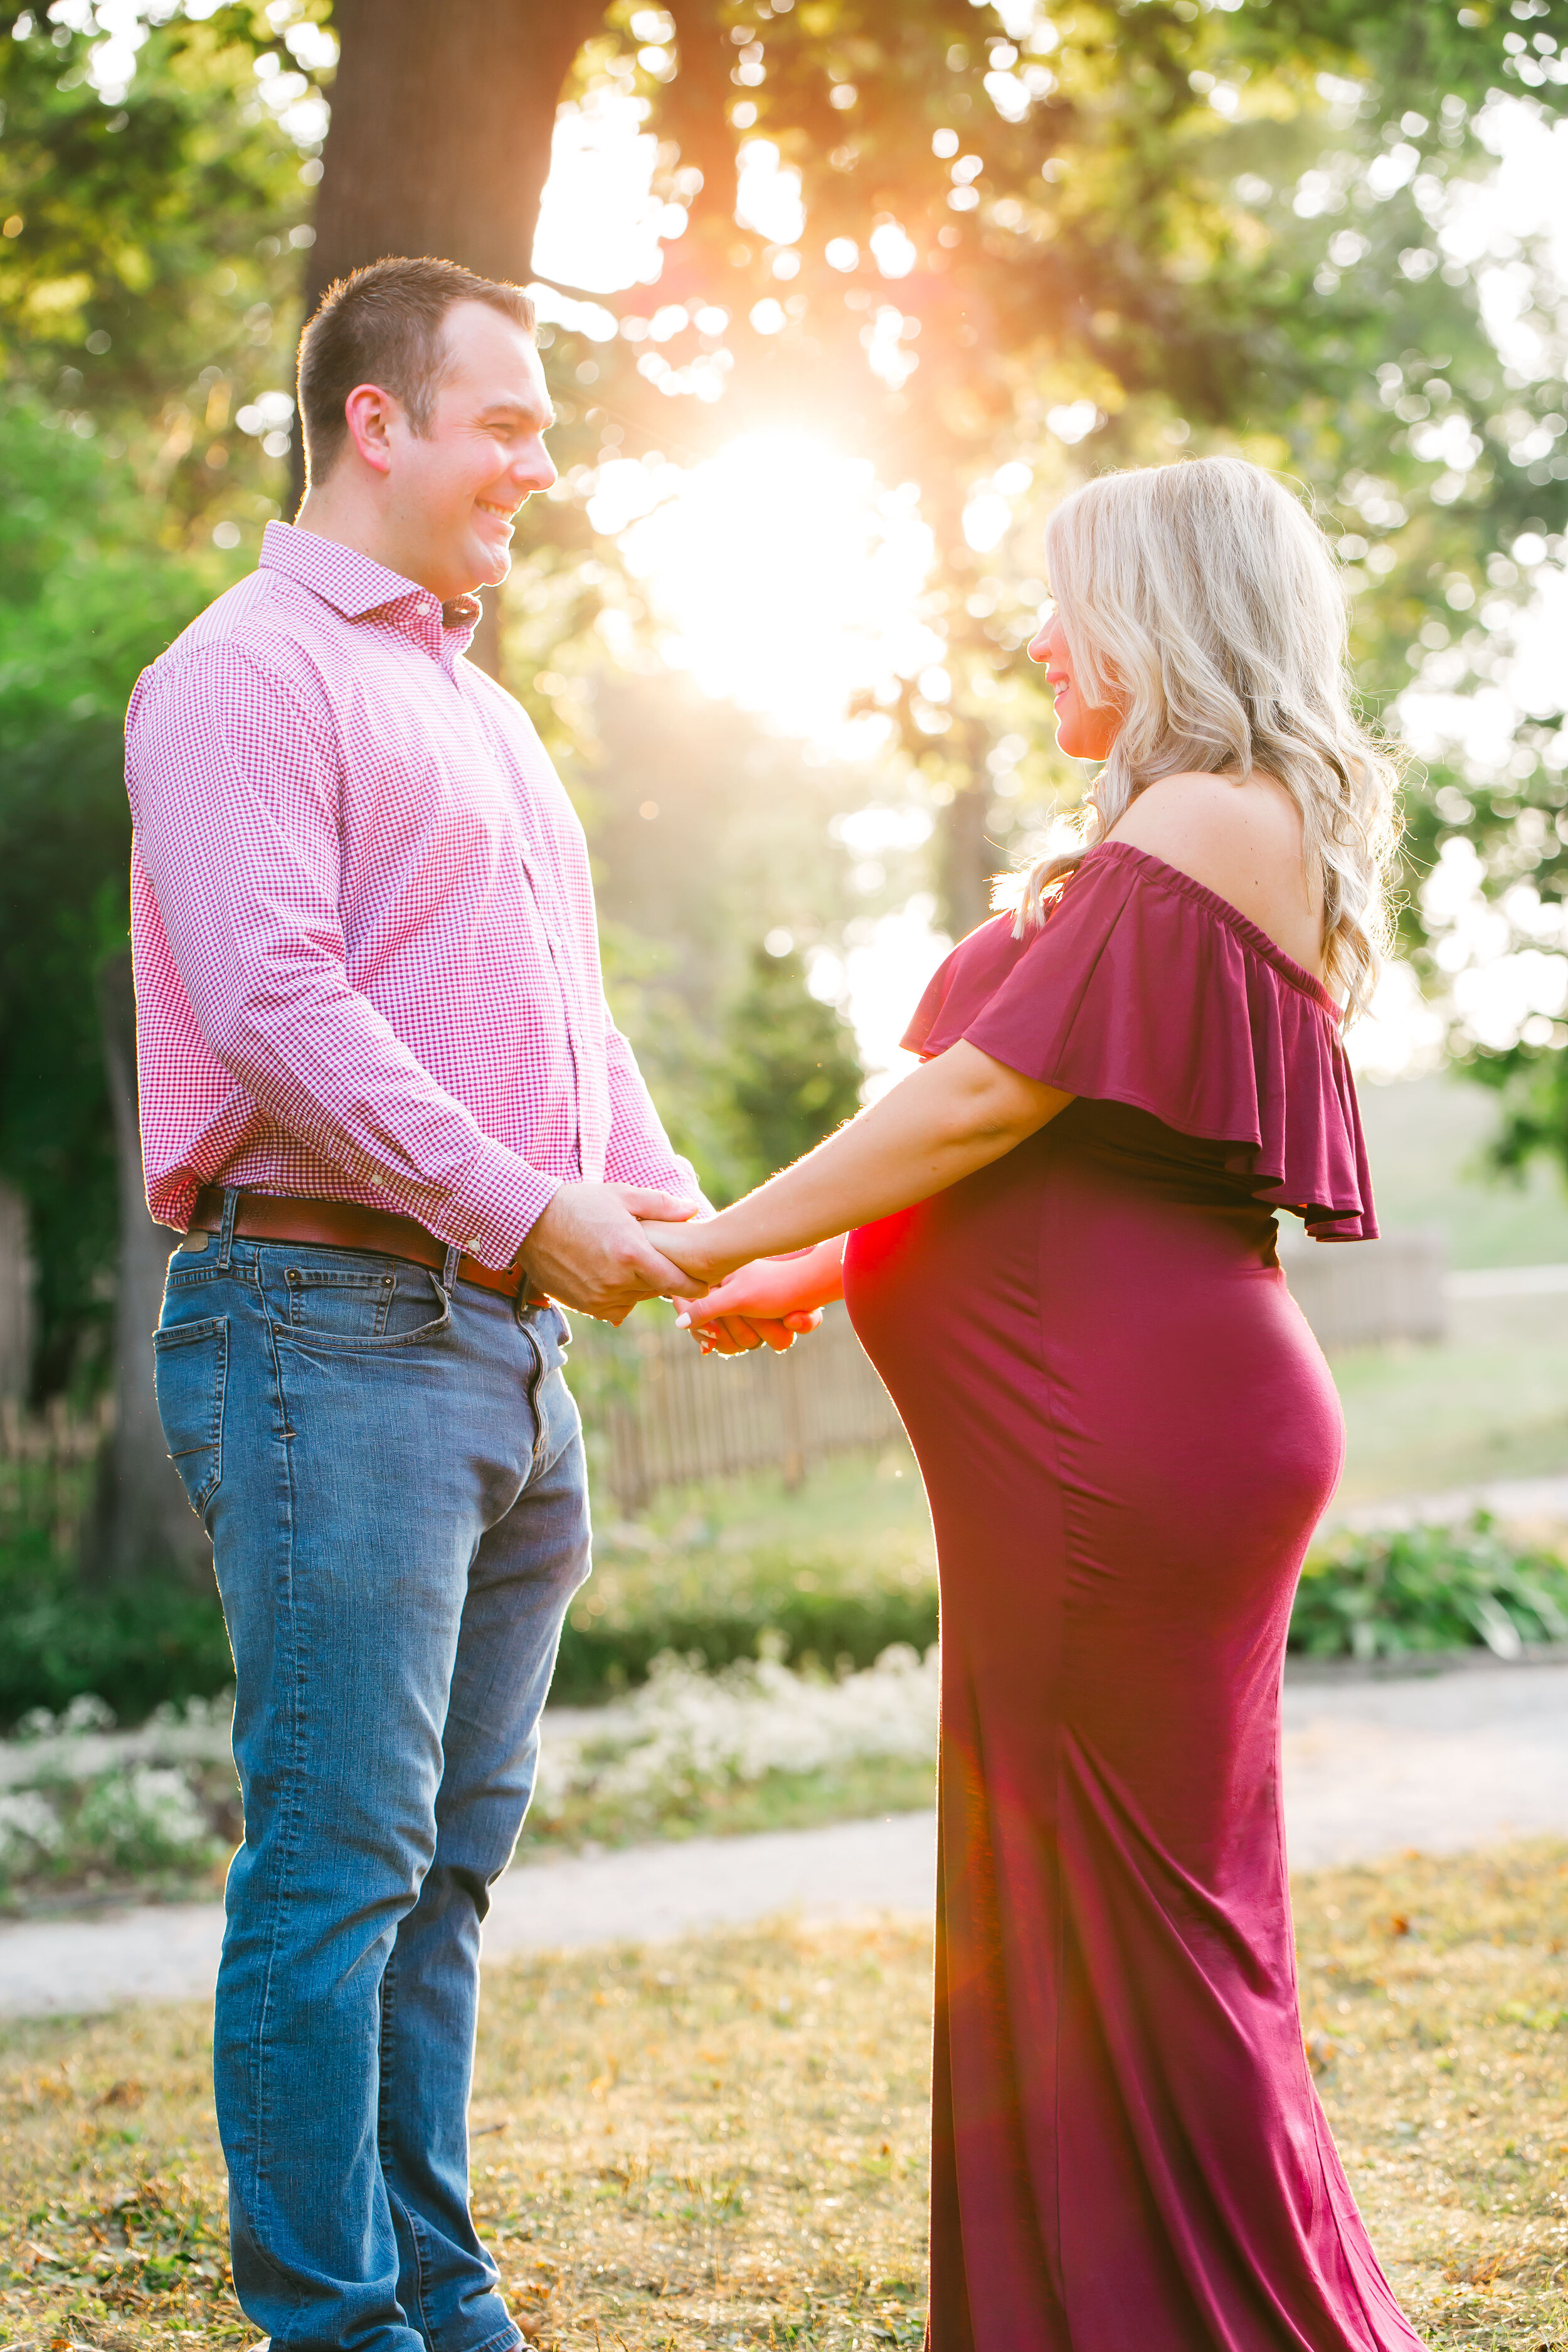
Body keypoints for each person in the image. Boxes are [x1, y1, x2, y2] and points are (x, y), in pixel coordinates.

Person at [650, 456, 1423, 2348]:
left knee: (1148, 1938)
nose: (1028, 639)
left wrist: (703, 1235)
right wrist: (804, 1269)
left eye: (1062, 599)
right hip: (1101, 1452)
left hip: (1124, 1457)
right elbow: (1047, 1153)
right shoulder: (1165, 837)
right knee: (1090, 1916)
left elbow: (984, 1102)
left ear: (1162, 614)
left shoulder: (1211, 817)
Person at [123, 255, 791, 2352]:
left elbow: (562, 1028)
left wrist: (686, 1233)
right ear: (374, 421)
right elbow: (274, 1003)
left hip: (499, 1351)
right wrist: (529, 1212)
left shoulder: (480, 708)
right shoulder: (243, 672)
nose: (539, 459)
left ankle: (435, 2298)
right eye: (504, 418)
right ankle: (335, 2331)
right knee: (336, 1867)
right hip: (322, 1329)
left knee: (443, 1871)